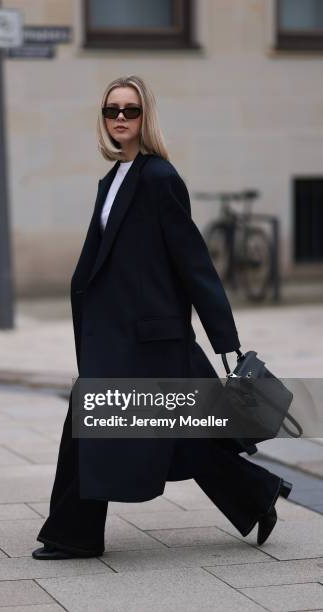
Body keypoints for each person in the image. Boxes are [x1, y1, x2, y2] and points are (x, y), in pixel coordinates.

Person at [32, 75, 292, 560]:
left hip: (149, 339)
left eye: (131, 111)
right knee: (187, 437)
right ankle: (257, 497)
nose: (121, 119)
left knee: (86, 427)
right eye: (113, 110)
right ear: (103, 118)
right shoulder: (112, 180)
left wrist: (225, 338)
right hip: (118, 335)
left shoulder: (159, 178)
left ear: (145, 117)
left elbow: (193, 262)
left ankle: (75, 534)